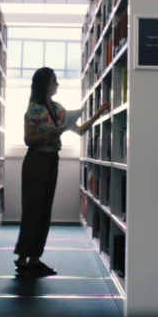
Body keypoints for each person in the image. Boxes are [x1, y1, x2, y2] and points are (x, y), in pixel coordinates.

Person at [14, 67, 109, 278]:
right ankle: (22, 259)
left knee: (45, 210)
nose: (57, 84)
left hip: (51, 160)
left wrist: (98, 113)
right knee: (32, 210)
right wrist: (50, 134)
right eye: (54, 81)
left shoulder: (59, 109)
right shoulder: (34, 110)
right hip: (36, 161)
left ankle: (35, 259)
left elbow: (80, 130)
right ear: (44, 85)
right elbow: (29, 140)